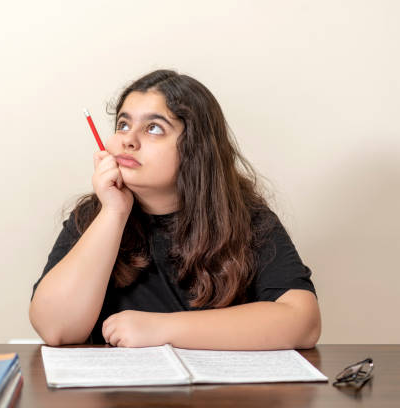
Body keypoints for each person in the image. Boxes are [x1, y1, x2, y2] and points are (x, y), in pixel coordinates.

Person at [29, 69, 321, 350]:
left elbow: (303, 322)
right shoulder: (93, 216)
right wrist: (113, 213)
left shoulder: (247, 219)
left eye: (154, 128)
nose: (128, 140)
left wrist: (160, 329)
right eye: (123, 124)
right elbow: (56, 329)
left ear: (195, 147)